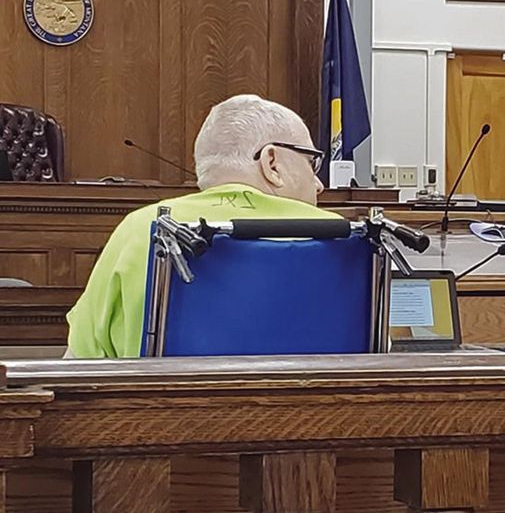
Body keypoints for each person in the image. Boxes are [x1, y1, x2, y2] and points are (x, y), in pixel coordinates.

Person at [67, 94, 339, 358]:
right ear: (272, 163)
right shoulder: (339, 238)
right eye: (311, 162)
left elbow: (79, 362)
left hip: (159, 403)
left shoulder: (138, 229)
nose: (319, 184)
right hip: (322, 404)